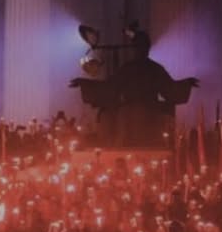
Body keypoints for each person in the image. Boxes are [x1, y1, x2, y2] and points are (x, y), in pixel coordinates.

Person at [70, 31, 198, 147]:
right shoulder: (130, 68)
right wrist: (84, 83)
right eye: (138, 46)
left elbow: (169, 88)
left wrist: (186, 83)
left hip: (148, 114)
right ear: (135, 49)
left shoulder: (154, 69)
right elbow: (110, 87)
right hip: (130, 117)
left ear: (147, 48)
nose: (141, 49)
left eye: (143, 46)